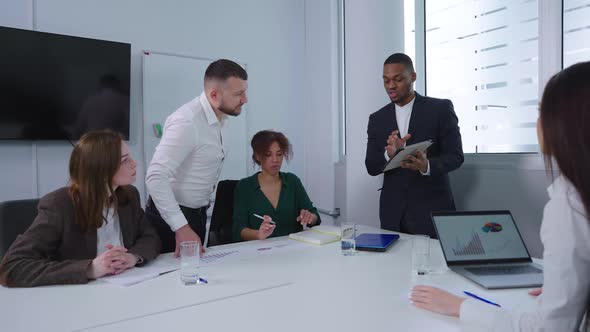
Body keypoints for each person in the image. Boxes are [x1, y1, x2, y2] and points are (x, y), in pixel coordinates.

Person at [410, 61, 590, 331]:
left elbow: (548, 329)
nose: (538, 122)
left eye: (542, 111)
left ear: (566, 124)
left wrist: (460, 307)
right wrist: (571, 288)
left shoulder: (568, 205)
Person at [0, 130, 160, 287]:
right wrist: (90, 268)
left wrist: (132, 257)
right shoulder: (59, 205)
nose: (134, 163)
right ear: (102, 170)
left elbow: (149, 237)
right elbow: (12, 267)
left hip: (127, 287)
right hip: (77, 297)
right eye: (125, 160)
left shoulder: (129, 195)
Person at [145, 59, 248, 255]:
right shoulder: (186, 121)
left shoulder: (222, 119)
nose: (245, 99)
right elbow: (156, 177)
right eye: (238, 94)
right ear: (214, 94)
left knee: (198, 276)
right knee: (170, 280)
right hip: (171, 219)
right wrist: (181, 228)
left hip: (197, 214)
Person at [365, 53, 464, 238]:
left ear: (413, 77)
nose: (391, 86)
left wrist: (426, 166)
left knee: (436, 266)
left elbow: (456, 156)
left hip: (433, 211)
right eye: (386, 81)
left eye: (397, 79)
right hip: (393, 215)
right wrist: (389, 154)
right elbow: (371, 166)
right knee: (391, 267)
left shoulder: (440, 109)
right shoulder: (377, 119)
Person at [232, 130, 321, 241]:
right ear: (257, 156)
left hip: (293, 249)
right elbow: (238, 229)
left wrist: (310, 217)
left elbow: (315, 216)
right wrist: (258, 234)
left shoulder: (292, 181)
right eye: (268, 155)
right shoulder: (245, 186)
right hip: (260, 251)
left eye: (279, 154)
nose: (275, 160)